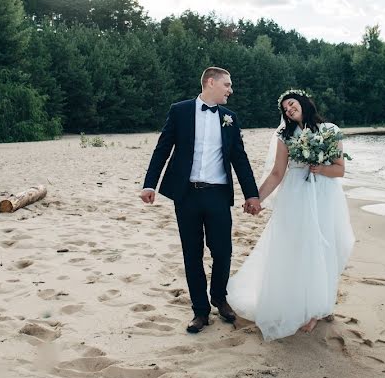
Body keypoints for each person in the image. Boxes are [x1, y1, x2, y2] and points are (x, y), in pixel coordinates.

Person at [140, 67, 261, 334]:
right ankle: (200, 311)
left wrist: (251, 194)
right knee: (192, 253)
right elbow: (162, 149)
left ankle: (219, 296)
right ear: (210, 82)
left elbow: (239, 158)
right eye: (227, 85)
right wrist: (150, 184)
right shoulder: (180, 111)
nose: (230, 90)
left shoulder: (230, 117)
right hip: (186, 195)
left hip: (218, 194)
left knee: (223, 251)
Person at [226, 89, 355, 341]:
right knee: (296, 249)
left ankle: (318, 306)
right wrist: (256, 199)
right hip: (295, 197)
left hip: (324, 198)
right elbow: (277, 173)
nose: (288, 109)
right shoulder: (285, 135)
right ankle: (299, 305)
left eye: (292, 104)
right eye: (284, 108)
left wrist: (319, 168)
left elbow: (339, 170)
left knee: (323, 248)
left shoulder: (329, 130)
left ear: (304, 103)